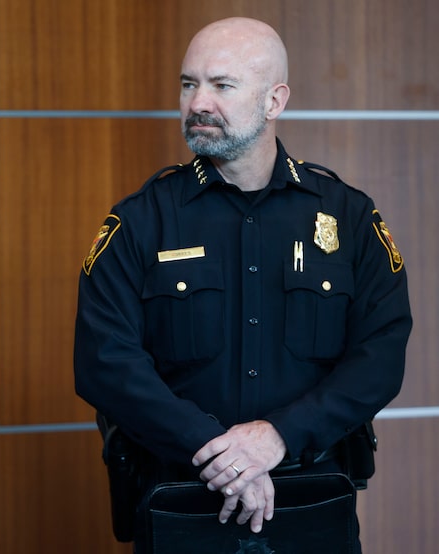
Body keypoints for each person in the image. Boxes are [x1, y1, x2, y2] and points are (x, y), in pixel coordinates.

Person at [74, 16, 411, 551]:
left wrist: (277, 438)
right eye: (189, 84)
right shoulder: (139, 222)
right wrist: (218, 452)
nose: (198, 102)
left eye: (222, 86)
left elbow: (381, 355)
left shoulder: (349, 217)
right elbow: (105, 364)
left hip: (312, 493)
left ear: (274, 101)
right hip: (179, 495)